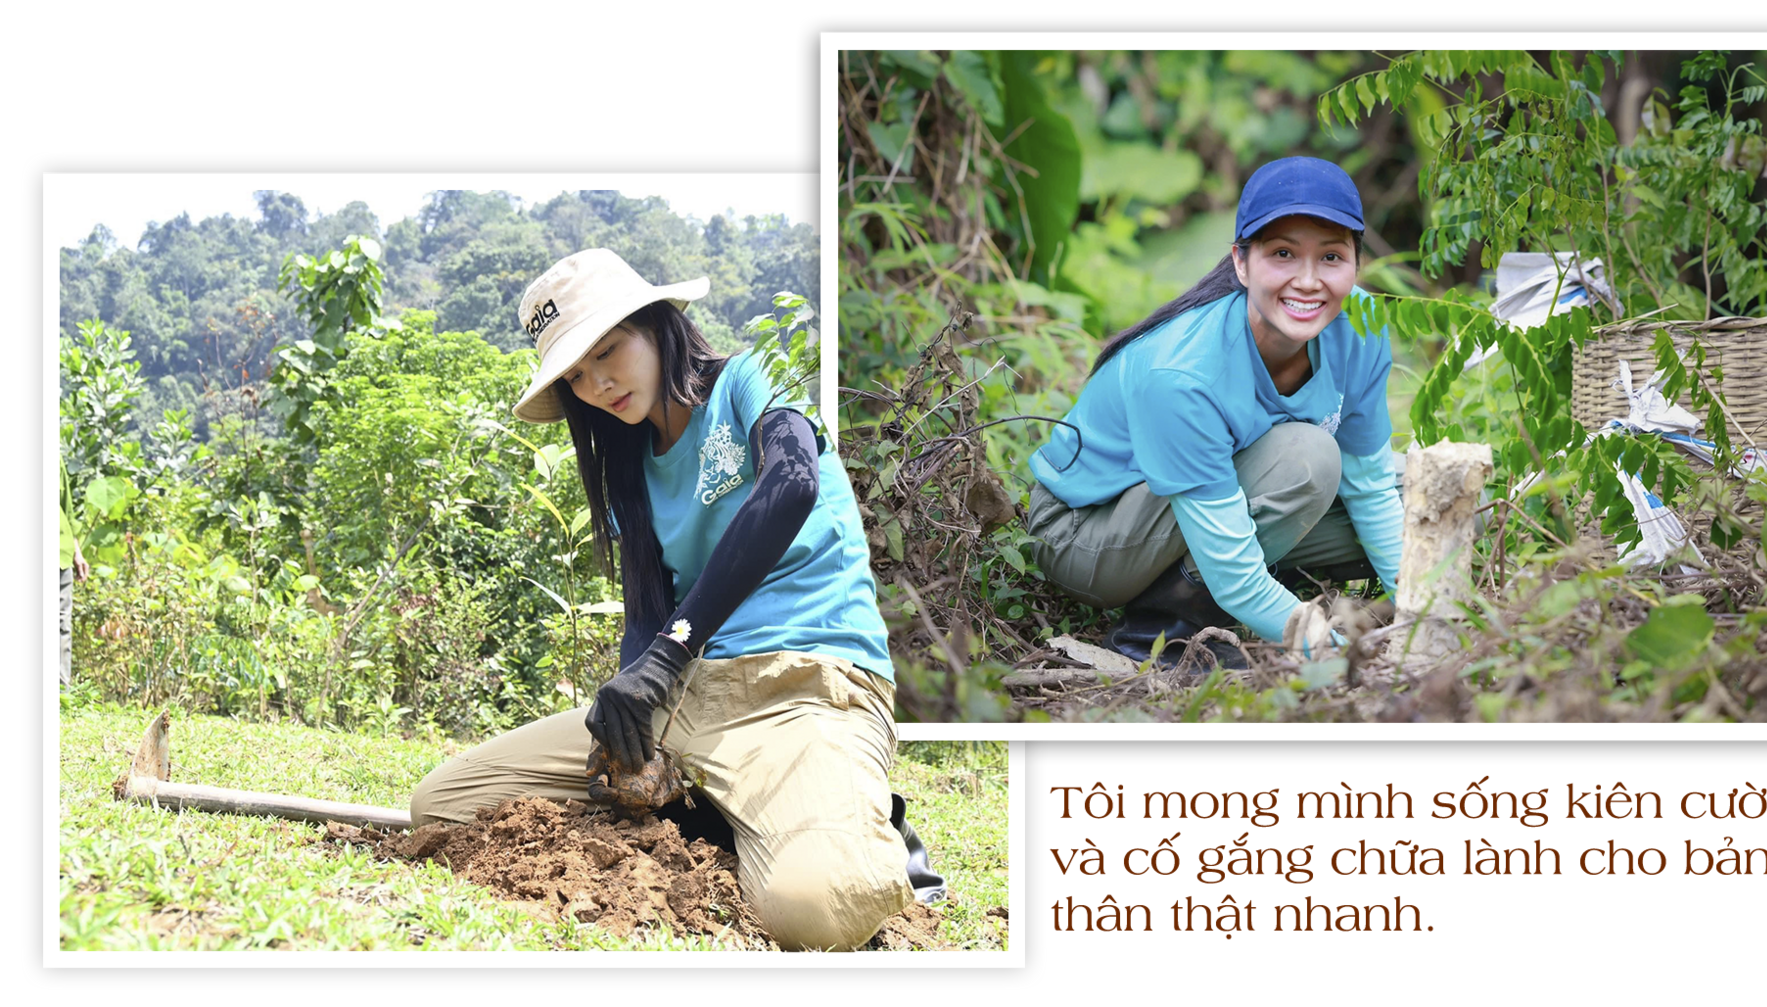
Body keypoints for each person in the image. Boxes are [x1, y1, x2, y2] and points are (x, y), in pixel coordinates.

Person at [409, 249, 941, 950]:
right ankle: (728, 809)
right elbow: (645, 622)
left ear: (657, 324)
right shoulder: (631, 466)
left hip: (806, 686)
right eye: (575, 375)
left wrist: (668, 653)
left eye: (607, 351)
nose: (597, 384)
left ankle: (871, 826)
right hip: (688, 697)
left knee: (813, 907)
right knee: (440, 805)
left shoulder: (754, 377)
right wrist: (629, 720)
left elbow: (792, 485)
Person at [1026, 157, 1405, 669]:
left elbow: (1373, 486)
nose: (1309, 281)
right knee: (1308, 458)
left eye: (1332, 257)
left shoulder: (1361, 322)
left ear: (1356, 263)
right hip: (1087, 534)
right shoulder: (1182, 374)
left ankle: (1249, 599)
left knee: (1419, 492)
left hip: (1198, 508)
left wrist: (1422, 617)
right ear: (1242, 263)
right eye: (1284, 254)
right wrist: (1342, 654)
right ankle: (1166, 631)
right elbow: (1235, 571)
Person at [58, 455, 89, 689]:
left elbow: (66, 510)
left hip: (61, 553)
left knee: (61, 624)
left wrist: (77, 552)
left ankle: (60, 691)